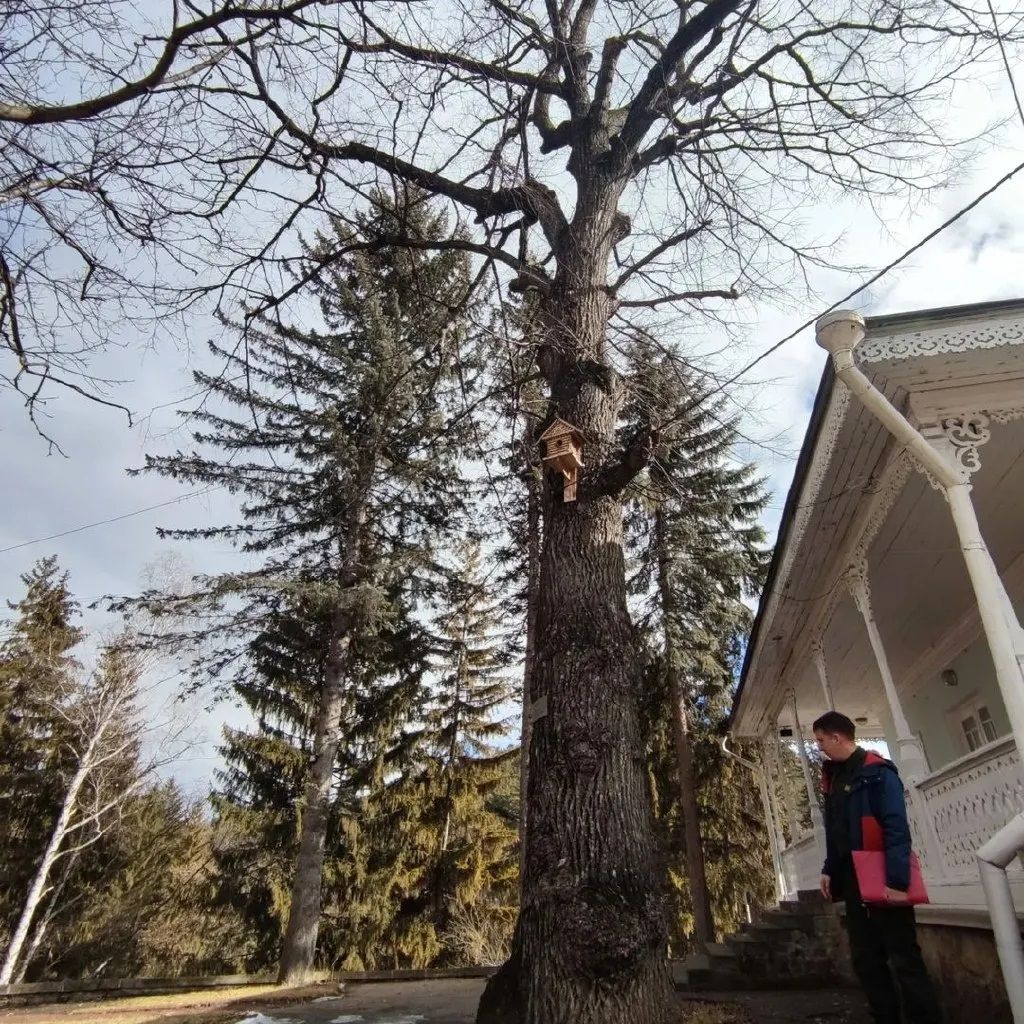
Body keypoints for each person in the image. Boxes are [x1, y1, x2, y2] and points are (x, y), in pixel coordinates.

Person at [813, 710, 941, 1024]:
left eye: (820, 740)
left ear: (837, 736)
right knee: (866, 959)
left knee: (904, 957)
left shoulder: (879, 773)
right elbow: (836, 829)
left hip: (884, 876)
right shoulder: (835, 777)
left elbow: (896, 828)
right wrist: (830, 868)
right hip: (853, 880)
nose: (819, 747)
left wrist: (898, 881)